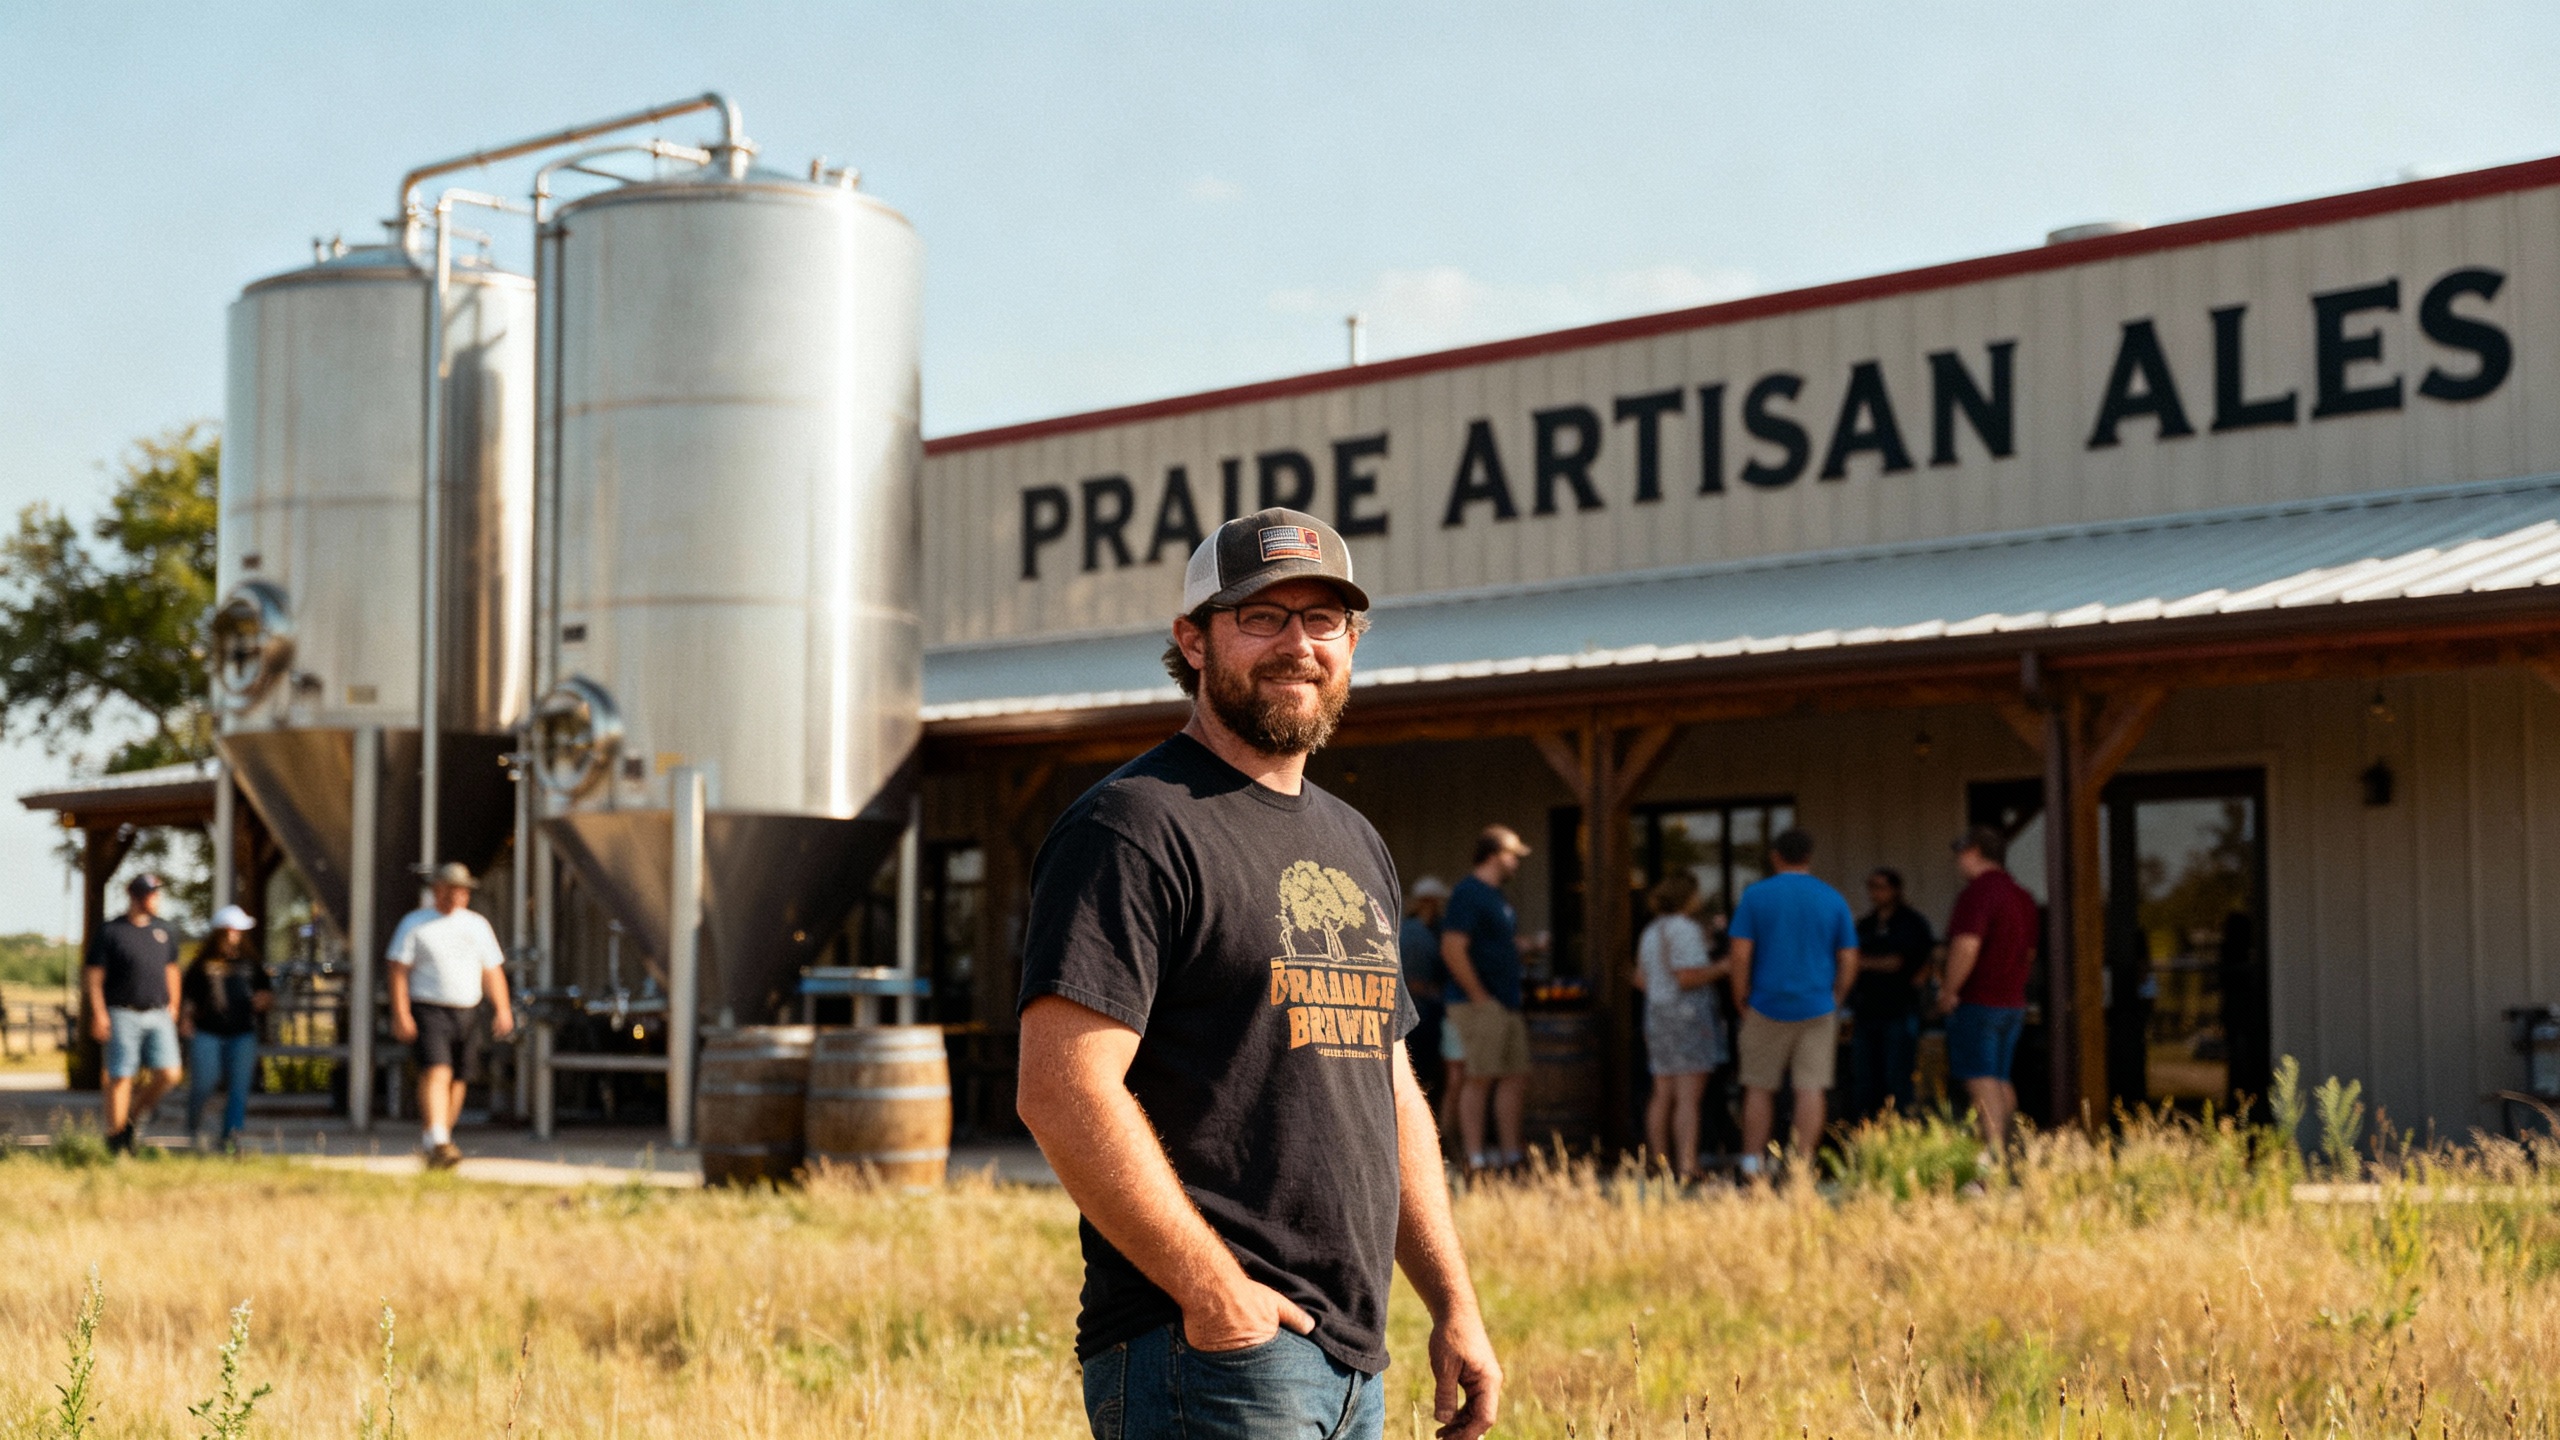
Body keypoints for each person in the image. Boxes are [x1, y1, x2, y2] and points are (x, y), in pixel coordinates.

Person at [1014, 508, 1501, 1440]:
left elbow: (1388, 1087)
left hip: (1352, 1357)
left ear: (1352, 641)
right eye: (1262, 618)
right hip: (1208, 1355)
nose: (1298, 646)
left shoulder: (1354, 841)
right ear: (1193, 641)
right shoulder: (1132, 826)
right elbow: (1062, 1087)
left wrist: (1453, 1303)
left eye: (1324, 620)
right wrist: (1215, 1295)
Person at [1726, 829, 1859, 1177]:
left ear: (1775, 856)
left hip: (1765, 1003)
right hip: (1817, 1006)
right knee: (1811, 1089)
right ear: (1809, 856)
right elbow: (1849, 956)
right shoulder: (1831, 897)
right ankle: (1801, 1168)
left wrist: (1740, 995)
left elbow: (1740, 954)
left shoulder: (1756, 896)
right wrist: (1837, 996)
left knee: (1758, 1087)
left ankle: (1752, 1165)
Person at [387, 862, 515, 1171]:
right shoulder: (415, 924)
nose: (455, 896)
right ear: (436, 891)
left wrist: (503, 1008)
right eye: (449, 890)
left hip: (467, 1010)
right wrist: (401, 1012)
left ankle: (439, 1136)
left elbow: (492, 970)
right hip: (429, 1008)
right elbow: (398, 970)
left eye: (461, 891)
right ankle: (439, 1139)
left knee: (459, 1078)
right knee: (437, 1070)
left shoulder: (477, 925)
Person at [1934, 826, 2040, 1148]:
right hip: (2013, 1004)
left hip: (1979, 1002)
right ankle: (2009, 1150)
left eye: (1960, 854)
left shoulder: (1977, 892)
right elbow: (2029, 953)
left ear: (1974, 852)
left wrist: (1949, 991)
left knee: (1980, 1080)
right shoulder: (2022, 896)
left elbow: (1966, 946)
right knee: (2000, 1079)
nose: (1957, 862)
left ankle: (1993, 1157)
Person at [1440, 824, 1534, 1173]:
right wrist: (1479, 996)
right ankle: (1475, 1160)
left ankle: (1512, 1157)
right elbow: (1452, 947)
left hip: (1507, 1001)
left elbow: (1494, 945)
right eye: (1513, 855)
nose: (1516, 863)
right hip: (1478, 1003)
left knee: (1514, 1076)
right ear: (1494, 855)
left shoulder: (1497, 896)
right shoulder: (1469, 892)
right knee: (1478, 1077)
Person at [1630, 871, 1727, 1180]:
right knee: (1688, 1098)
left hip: (1656, 1016)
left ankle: (1659, 1163)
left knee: (1662, 1093)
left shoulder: (1651, 931)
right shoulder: (1685, 930)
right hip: (1687, 1018)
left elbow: (1640, 979)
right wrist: (1724, 967)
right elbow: (1687, 977)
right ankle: (1687, 1165)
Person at [85, 873, 181, 1155]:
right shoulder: (112, 931)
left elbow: (172, 970)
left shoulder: (164, 931)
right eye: (152, 894)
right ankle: (117, 1142)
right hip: (122, 1012)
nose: (157, 899)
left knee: (170, 1073)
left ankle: (132, 1118)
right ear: (136, 896)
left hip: (158, 1013)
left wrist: (174, 1004)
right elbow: (94, 976)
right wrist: (99, 1013)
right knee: (120, 1075)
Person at [179, 905, 271, 1152]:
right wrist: (185, 1019)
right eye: (233, 929)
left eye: (239, 930)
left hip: (243, 1032)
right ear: (222, 931)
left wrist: (263, 1000)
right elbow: (189, 996)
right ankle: (193, 1122)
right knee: (205, 1081)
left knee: (239, 1087)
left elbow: (265, 992)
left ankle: (231, 1137)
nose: (236, 935)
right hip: (207, 1031)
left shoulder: (252, 963)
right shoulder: (202, 964)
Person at [1847, 868, 1935, 1121]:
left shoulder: (1911, 923)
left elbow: (1898, 962)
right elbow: (1848, 957)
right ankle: (1866, 1129)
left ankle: (1900, 1129)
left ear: (1895, 890)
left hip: (1899, 1011)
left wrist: (1863, 963)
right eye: (1871, 886)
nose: (1875, 893)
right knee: (1865, 1080)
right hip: (1866, 1011)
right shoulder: (1866, 924)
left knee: (1897, 1079)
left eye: (1881, 887)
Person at [1399, 877, 1451, 1099]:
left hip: (1425, 1015)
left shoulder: (1429, 931)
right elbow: (1414, 983)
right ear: (1429, 902)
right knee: (1421, 1077)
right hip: (1419, 1018)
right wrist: (1444, 997)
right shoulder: (1414, 935)